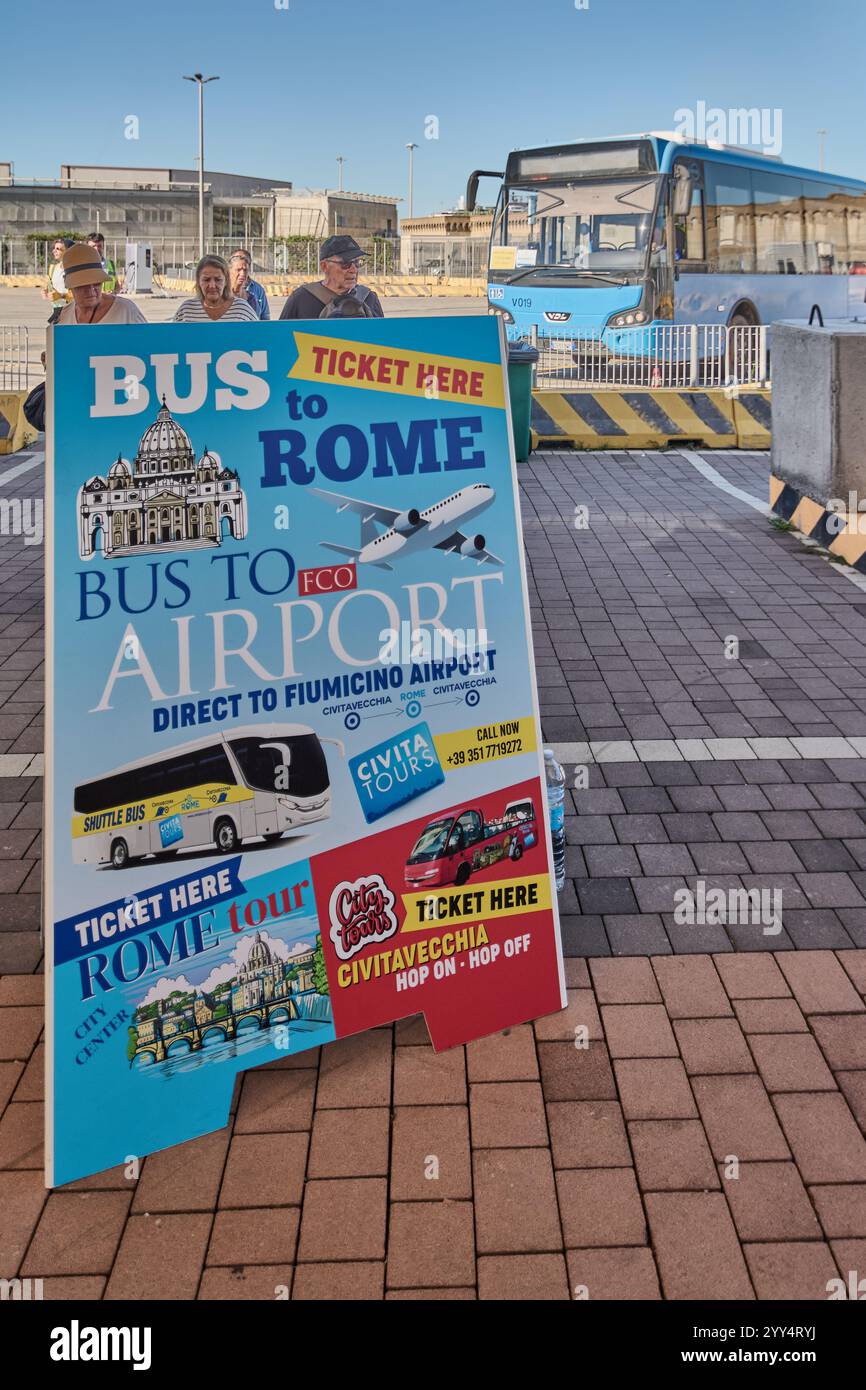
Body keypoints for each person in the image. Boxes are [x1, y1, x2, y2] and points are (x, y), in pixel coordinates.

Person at [279, 235, 383, 320]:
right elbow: (282, 338)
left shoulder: (370, 298)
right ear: (324, 266)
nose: (354, 270)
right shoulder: (301, 298)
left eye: (356, 263)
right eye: (345, 263)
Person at [56, 243, 147, 324]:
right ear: (70, 286)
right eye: (83, 285)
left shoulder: (127, 312)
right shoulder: (63, 318)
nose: (91, 291)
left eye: (96, 283)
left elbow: (149, 342)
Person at [173, 255, 258, 322]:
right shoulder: (186, 310)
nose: (212, 285)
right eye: (206, 279)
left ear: (226, 281)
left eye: (218, 280)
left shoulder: (242, 309)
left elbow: (259, 338)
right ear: (198, 281)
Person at [228, 248, 269, 319]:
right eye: (238, 270)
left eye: (245, 270)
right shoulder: (221, 292)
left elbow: (265, 317)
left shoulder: (253, 295)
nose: (242, 273)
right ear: (229, 270)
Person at [41, 237, 74, 322]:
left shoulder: (74, 269)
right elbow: (52, 288)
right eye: (54, 248)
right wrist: (46, 292)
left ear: (67, 252)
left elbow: (79, 294)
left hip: (71, 310)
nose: (54, 251)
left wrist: (62, 295)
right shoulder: (53, 268)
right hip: (56, 310)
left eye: (58, 249)